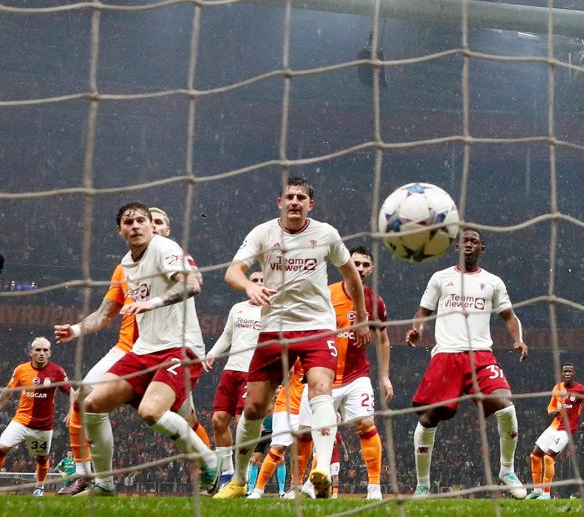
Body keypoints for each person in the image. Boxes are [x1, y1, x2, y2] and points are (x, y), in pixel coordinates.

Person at [214, 176, 369, 499]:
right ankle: (239, 481)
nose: (295, 201)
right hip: (275, 329)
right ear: (280, 203)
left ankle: (322, 470)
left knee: (322, 390)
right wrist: (250, 286)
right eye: (290, 197)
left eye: (301, 197)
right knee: (255, 408)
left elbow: (350, 274)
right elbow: (232, 271)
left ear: (310, 205)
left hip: (317, 326)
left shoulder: (326, 234)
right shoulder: (263, 233)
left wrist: (362, 316)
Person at [54, 202, 218, 496]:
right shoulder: (126, 265)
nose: (136, 226)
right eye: (129, 222)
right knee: (90, 404)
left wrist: (152, 303)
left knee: (151, 413)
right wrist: (75, 330)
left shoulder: (165, 248)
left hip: (180, 348)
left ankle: (209, 460)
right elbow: (105, 312)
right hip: (143, 351)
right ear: (120, 230)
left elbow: (194, 284)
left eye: (141, 220)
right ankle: (104, 484)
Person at [405, 227, 529, 499]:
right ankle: (423, 486)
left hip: (481, 355)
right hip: (446, 355)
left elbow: (509, 316)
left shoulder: (493, 282)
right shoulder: (441, 278)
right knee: (429, 418)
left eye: (474, 240)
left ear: (482, 248)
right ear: (456, 247)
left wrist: (518, 340)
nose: (469, 244)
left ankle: (507, 471)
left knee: (506, 405)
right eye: (464, 241)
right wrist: (418, 329)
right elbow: (423, 311)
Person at [292, 245, 392, 500]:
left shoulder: (375, 302)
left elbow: (382, 340)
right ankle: (296, 488)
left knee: (367, 423)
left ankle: (374, 489)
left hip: (356, 376)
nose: (359, 268)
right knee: (304, 431)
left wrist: (385, 377)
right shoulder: (326, 295)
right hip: (321, 375)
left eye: (365, 265)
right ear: (345, 265)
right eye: (355, 263)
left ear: (372, 269)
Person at [204, 271, 263, 487]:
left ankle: (242, 475)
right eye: (254, 280)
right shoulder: (237, 309)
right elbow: (227, 335)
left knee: (242, 424)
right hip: (230, 371)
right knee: (218, 421)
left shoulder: (273, 311)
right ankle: (227, 474)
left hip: (253, 374)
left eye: (262, 281)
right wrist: (212, 352)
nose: (257, 284)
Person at [0, 337, 73, 497]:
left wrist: (71, 411)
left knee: (41, 458)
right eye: (38, 350)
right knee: (1, 448)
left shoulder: (57, 371)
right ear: (31, 352)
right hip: (21, 421)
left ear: (50, 353)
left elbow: (71, 391)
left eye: (45, 350)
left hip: (43, 426)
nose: (41, 353)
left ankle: (39, 488)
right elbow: (8, 391)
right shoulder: (21, 370)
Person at [526, 363, 584, 499]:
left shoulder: (581, 390)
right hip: (553, 427)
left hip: (566, 431)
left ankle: (546, 494)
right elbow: (550, 406)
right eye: (565, 371)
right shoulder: (557, 388)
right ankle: (537, 490)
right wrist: (551, 411)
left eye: (570, 371)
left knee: (548, 457)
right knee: (535, 455)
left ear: (574, 373)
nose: (567, 373)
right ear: (562, 373)